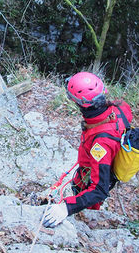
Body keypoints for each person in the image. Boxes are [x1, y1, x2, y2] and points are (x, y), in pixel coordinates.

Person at [43, 71, 133, 228]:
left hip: (93, 175)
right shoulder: (120, 108)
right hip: (102, 162)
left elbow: (99, 190)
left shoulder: (101, 143)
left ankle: (85, 221)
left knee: (89, 208)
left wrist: (67, 207)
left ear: (79, 103)